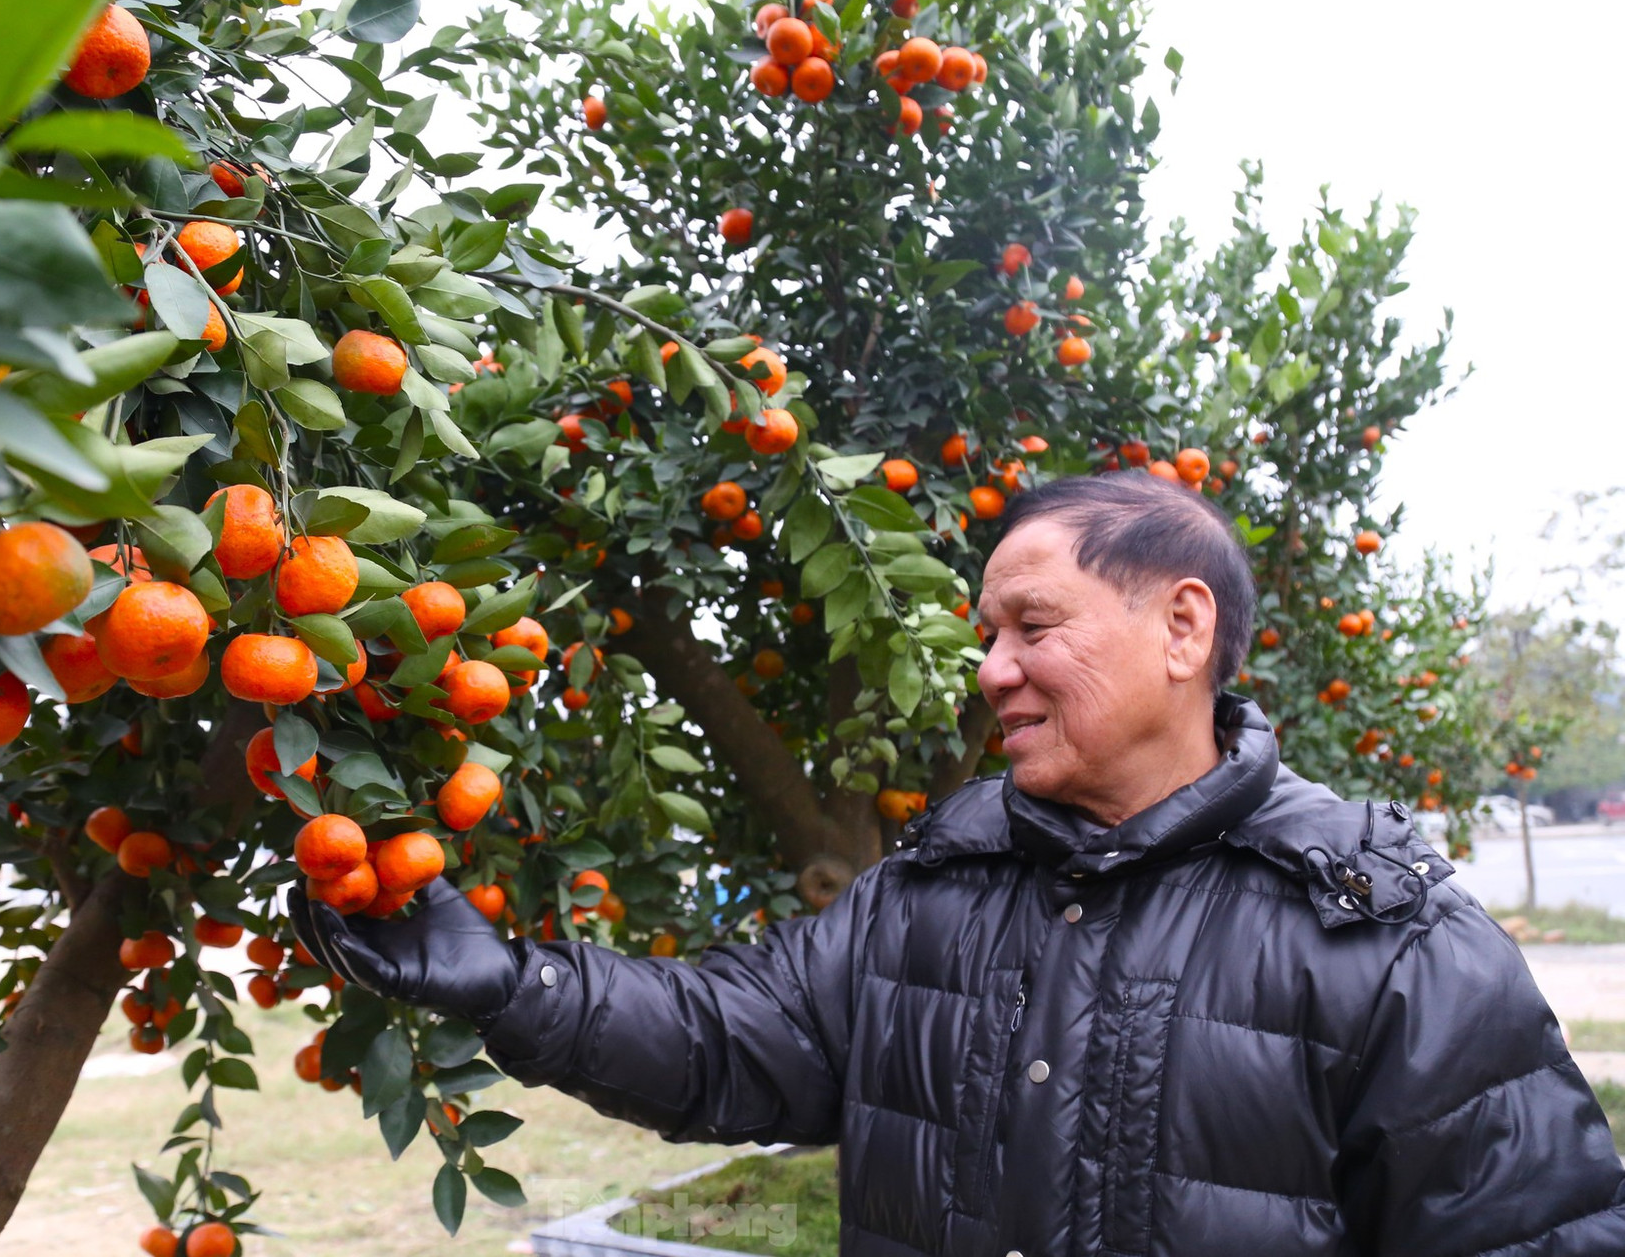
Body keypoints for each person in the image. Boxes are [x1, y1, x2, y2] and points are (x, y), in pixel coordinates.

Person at [292, 472, 1625, 1256]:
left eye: (1030, 625)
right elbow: (727, 1042)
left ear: (1182, 627)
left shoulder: (1379, 934)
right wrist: (506, 986)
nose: (990, 670)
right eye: (984, 633)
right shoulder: (939, 885)